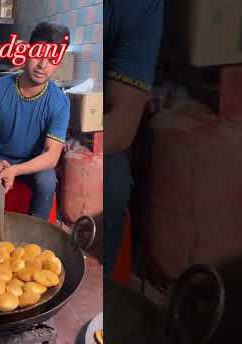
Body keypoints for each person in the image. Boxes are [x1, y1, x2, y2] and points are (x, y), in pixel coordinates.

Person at [0, 22, 70, 221]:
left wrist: (16, 170)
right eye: (38, 53)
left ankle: (35, 235)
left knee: (47, 181)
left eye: (52, 58)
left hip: (31, 162)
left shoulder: (60, 102)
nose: (42, 65)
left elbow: (52, 156)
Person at [103, 0, 164, 276]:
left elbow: (120, 129)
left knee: (112, 184)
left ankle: (95, 308)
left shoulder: (138, 6)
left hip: (91, 131)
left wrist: (63, 147)